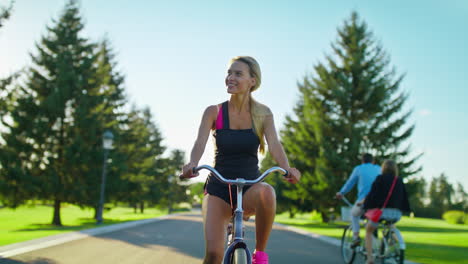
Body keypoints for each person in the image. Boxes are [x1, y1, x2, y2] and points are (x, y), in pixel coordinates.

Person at [181, 56, 301, 264]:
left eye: (238, 74)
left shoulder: (263, 114)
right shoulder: (214, 111)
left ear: (252, 81)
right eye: (229, 73)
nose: (230, 77)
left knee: (267, 192)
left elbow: (274, 144)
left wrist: (286, 168)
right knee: (214, 255)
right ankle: (228, 229)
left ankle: (259, 255)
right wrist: (192, 163)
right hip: (219, 189)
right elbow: (199, 142)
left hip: (249, 189)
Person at [363, 159, 411, 264]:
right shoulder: (399, 180)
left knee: (368, 230)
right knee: (390, 225)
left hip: (382, 213)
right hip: (397, 214)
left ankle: (370, 258)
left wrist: (365, 206)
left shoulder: (380, 179)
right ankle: (392, 240)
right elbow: (404, 198)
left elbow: (372, 196)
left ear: (383, 168)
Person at [336, 153, 381, 247]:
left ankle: (356, 237)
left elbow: (350, 183)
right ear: (373, 161)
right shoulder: (378, 169)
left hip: (364, 201)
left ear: (362, 161)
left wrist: (341, 193)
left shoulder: (359, 169)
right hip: (378, 202)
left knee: (354, 214)